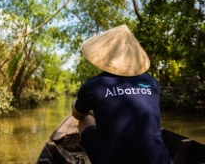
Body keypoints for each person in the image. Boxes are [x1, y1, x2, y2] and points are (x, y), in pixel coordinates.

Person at [71, 25, 173, 164]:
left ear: (104, 55)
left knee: (84, 118)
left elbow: (76, 114)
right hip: (161, 161)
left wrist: (90, 113)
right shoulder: (152, 82)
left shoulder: (94, 85)